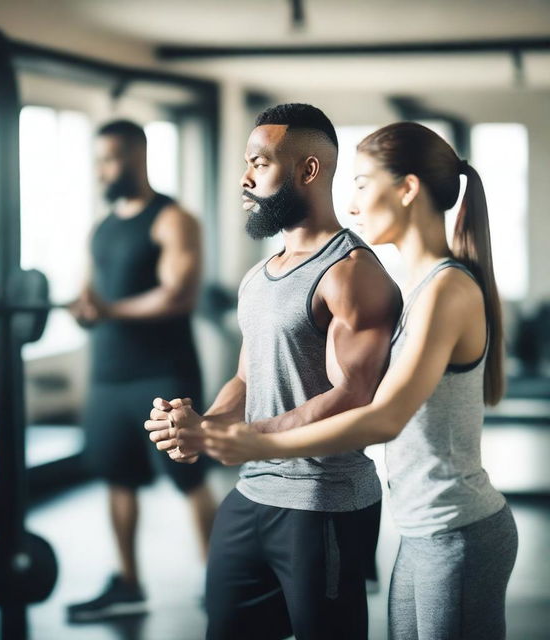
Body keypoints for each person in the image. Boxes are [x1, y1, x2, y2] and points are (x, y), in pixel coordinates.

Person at [200, 122, 519, 640]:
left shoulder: (446, 289)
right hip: (420, 528)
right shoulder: (418, 287)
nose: (350, 205)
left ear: (407, 189)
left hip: (457, 530)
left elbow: (384, 417)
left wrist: (255, 439)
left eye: (362, 184)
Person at [145, 104, 402, 639]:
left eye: (259, 163)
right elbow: (246, 378)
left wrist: (236, 437)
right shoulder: (259, 277)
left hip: (321, 500)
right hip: (250, 495)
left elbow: (355, 395)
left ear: (308, 171)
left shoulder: (351, 274)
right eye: (247, 162)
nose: (245, 177)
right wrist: (204, 423)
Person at [66, 119, 216, 622]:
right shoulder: (102, 227)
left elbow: (180, 295)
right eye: (98, 161)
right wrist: (87, 309)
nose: (102, 171)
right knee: (117, 478)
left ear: (137, 156)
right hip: (109, 373)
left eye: (110, 159)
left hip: (162, 374)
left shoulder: (172, 219)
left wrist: (110, 310)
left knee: (188, 478)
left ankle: (219, 579)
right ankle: (128, 582)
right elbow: (94, 294)